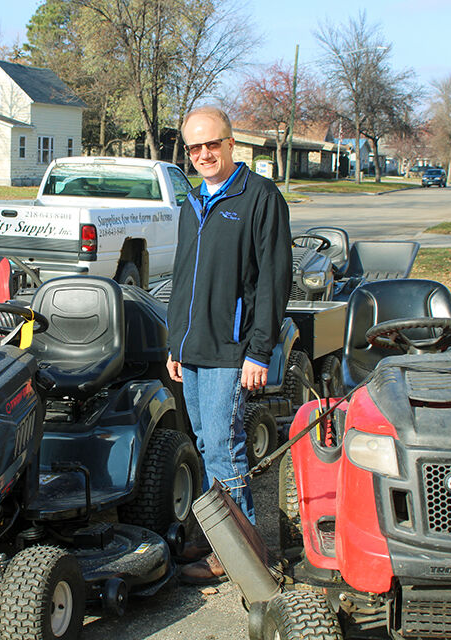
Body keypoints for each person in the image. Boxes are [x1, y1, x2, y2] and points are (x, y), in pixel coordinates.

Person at [167, 106, 292, 584]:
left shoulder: (259, 197)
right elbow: (182, 280)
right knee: (206, 445)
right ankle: (217, 533)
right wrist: (175, 343)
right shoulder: (192, 202)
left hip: (231, 348)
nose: (203, 154)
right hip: (193, 348)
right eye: (194, 147)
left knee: (224, 446)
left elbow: (274, 280)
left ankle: (243, 552)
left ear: (231, 144)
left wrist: (260, 350)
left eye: (211, 144)